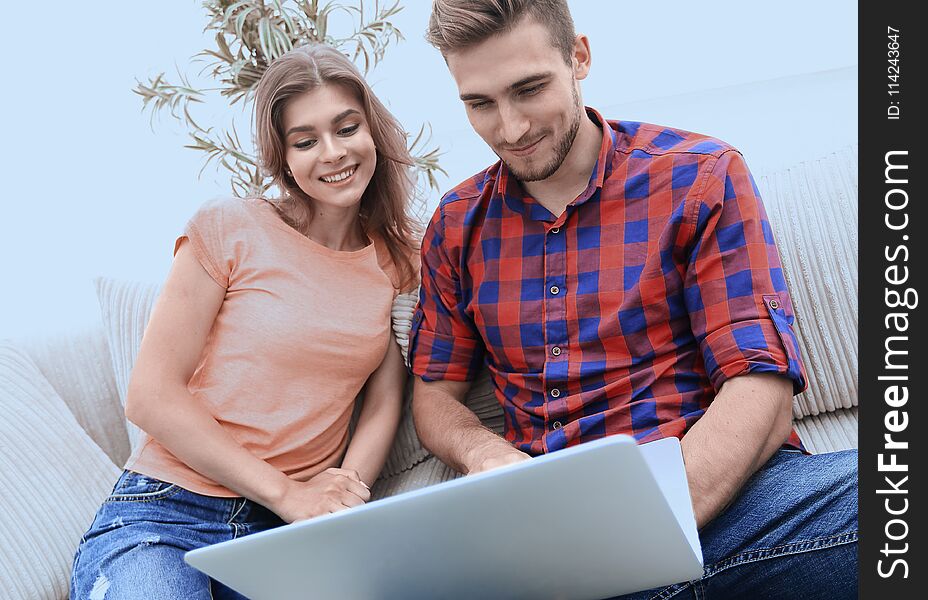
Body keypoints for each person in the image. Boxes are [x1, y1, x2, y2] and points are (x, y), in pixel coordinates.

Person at [409, 1, 857, 598]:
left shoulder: (700, 176)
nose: (510, 128)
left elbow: (760, 387)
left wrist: (644, 534)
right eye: (480, 103)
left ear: (579, 57)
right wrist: (482, 452)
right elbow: (434, 398)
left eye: (529, 88)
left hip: (736, 507)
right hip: (560, 532)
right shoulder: (457, 226)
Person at [70, 43, 419, 599]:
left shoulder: (398, 262)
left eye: (346, 128)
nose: (332, 153)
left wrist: (345, 496)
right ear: (282, 158)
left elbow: (383, 399)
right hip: (167, 515)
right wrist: (287, 493)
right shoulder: (227, 226)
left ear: (372, 131)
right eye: (305, 141)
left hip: (285, 534)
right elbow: (150, 395)